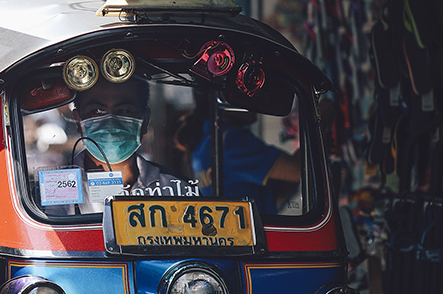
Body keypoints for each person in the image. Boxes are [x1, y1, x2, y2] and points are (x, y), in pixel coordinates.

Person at [177, 89, 300, 218]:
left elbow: (271, 196)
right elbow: (300, 171)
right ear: (223, 100)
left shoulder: (202, 148)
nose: (256, 98)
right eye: (245, 93)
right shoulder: (229, 142)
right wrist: (320, 123)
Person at [71, 75, 184, 196]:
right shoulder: (53, 190)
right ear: (78, 121)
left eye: (124, 110)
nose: (111, 124)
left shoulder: (177, 189)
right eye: (97, 111)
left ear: (145, 120)